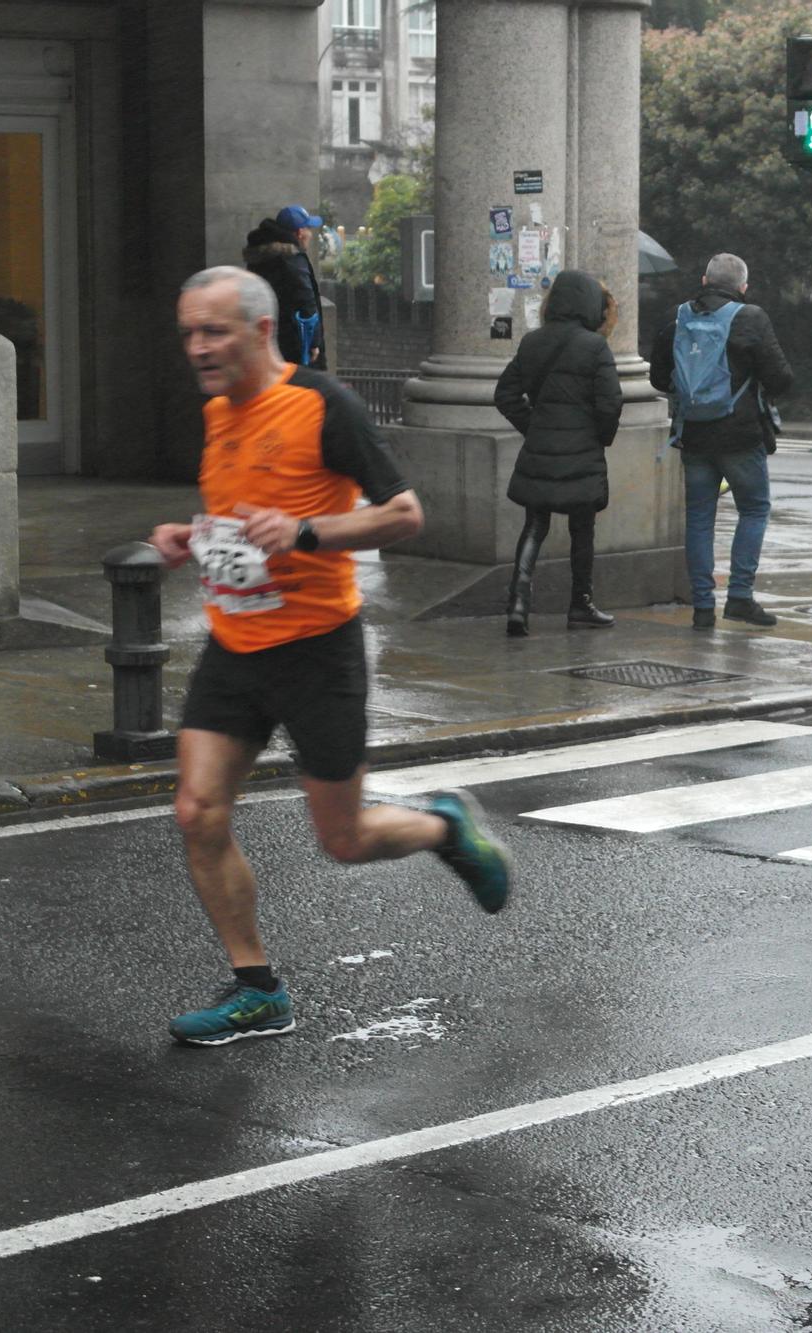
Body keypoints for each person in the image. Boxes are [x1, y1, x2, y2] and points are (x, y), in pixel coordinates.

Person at [148, 266, 511, 1046]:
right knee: (196, 810)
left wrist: (308, 531)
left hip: (319, 651)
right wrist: (194, 536)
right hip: (237, 644)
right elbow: (238, 512)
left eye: (214, 330)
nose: (199, 347)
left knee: (342, 840)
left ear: (262, 331)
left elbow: (405, 513)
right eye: (189, 332)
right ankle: (258, 990)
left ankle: (445, 828)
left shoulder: (323, 406)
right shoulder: (218, 413)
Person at [649, 252, 795, 630]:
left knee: (699, 518)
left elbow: (657, 377)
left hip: (693, 434)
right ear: (742, 287)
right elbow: (781, 379)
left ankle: (701, 606)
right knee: (754, 509)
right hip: (741, 436)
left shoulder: (676, 317)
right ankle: (740, 598)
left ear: (703, 280)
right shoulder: (751, 318)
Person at [493, 270, 624, 636]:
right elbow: (610, 403)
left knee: (535, 523)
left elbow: (504, 394)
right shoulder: (595, 347)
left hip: (540, 450)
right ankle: (580, 604)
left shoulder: (533, 342)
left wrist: (534, 428)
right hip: (582, 452)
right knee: (582, 529)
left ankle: (518, 602)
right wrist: (600, 436)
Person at [243, 204, 327, 370]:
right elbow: (306, 301)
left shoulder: (260, 257)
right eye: (309, 229)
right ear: (300, 233)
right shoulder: (293, 259)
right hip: (294, 342)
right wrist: (313, 342)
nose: (310, 234)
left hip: (269, 339)